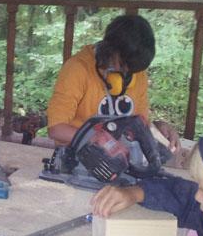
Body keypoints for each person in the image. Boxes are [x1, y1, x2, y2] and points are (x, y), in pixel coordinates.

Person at [46, 14, 179, 149]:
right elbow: (56, 129)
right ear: (110, 49)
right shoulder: (77, 69)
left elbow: (139, 123)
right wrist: (96, 139)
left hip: (120, 156)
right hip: (77, 155)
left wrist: (158, 129)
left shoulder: (136, 71)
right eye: (122, 65)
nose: (126, 73)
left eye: (131, 70)